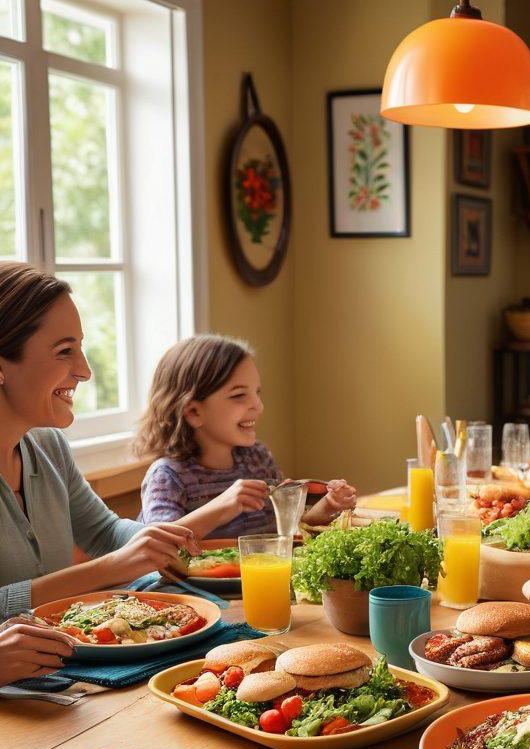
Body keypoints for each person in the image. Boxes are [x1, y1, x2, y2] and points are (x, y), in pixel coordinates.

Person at [0, 262, 199, 625]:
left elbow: (104, 532)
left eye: (80, 348)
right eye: (64, 351)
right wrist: (106, 570)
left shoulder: (48, 445)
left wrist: (156, 539)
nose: (85, 371)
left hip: (65, 669)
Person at [135, 335, 356, 538]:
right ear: (194, 412)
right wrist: (223, 506)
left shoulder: (257, 458)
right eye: (239, 395)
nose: (258, 406)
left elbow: (290, 528)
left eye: (257, 392)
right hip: (190, 583)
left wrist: (329, 506)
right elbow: (156, 547)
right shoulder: (167, 476)